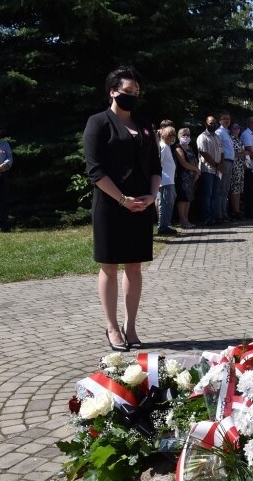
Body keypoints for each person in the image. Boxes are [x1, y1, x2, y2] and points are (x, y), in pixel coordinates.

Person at [83, 66, 161, 351]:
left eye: (136, 93)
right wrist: (122, 199)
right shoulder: (98, 122)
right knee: (110, 265)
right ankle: (112, 327)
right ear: (113, 91)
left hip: (141, 205)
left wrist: (151, 196)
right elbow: (95, 170)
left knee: (134, 266)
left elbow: (155, 165)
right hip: (111, 204)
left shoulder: (144, 125)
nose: (132, 97)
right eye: (128, 92)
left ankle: (131, 327)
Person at [196, 116, 223, 225]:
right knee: (207, 195)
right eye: (211, 123)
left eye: (215, 123)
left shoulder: (217, 137)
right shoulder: (202, 137)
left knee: (215, 195)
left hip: (217, 170)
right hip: (207, 169)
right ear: (206, 124)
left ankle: (214, 216)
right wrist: (216, 164)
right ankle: (207, 218)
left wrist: (221, 164)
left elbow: (222, 151)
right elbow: (204, 153)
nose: (213, 125)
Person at [174, 128, 200, 228]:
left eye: (188, 135)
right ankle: (182, 220)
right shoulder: (178, 147)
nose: (186, 137)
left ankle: (186, 219)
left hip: (192, 177)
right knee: (183, 199)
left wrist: (196, 173)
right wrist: (196, 170)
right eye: (184, 135)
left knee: (188, 198)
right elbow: (183, 163)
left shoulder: (189, 147)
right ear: (179, 136)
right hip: (182, 177)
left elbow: (195, 160)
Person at [156, 126, 178, 236]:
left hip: (169, 180)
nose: (173, 139)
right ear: (167, 136)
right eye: (172, 137)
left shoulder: (166, 146)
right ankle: (163, 227)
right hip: (165, 180)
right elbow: (158, 163)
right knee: (165, 204)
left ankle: (165, 225)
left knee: (169, 203)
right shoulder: (163, 146)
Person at [216, 110, 234, 222]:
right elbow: (219, 148)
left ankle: (224, 213)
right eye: (224, 118)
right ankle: (219, 214)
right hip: (224, 162)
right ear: (220, 121)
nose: (227, 120)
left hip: (230, 162)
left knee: (225, 189)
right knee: (221, 189)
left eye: (228, 118)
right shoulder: (219, 132)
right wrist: (221, 162)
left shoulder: (227, 132)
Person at [229, 123, 246, 219]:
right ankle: (235, 211)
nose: (236, 130)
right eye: (234, 128)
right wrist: (242, 153)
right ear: (231, 129)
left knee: (239, 189)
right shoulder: (230, 139)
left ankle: (238, 209)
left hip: (240, 167)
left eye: (238, 128)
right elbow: (231, 153)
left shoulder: (239, 140)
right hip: (234, 167)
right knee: (234, 189)